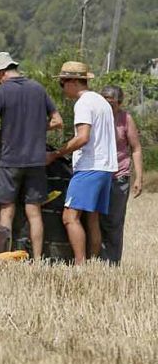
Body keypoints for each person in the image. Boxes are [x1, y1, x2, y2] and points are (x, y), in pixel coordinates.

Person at [0, 52, 63, 260]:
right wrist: (37, 128)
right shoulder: (38, 88)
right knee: (34, 212)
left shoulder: (1, 92)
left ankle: (5, 258)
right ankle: (37, 259)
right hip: (36, 161)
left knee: (6, 211)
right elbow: (58, 121)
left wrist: (1, 132)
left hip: (10, 160)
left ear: (1, 72)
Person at [46, 62, 118, 264]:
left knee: (70, 217)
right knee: (92, 218)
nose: (62, 88)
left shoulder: (83, 103)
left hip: (89, 167)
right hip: (105, 168)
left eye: (62, 83)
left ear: (73, 81)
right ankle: (92, 263)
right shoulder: (101, 102)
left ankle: (80, 264)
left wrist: (56, 154)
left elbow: (83, 137)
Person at [99, 86, 143, 264]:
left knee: (114, 221)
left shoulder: (126, 119)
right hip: (97, 175)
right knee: (95, 220)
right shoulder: (95, 116)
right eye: (104, 102)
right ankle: (95, 260)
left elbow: (136, 148)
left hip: (119, 175)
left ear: (119, 103)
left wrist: (139, 177)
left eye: (112, 103)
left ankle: (112, 262)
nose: (108, 106)